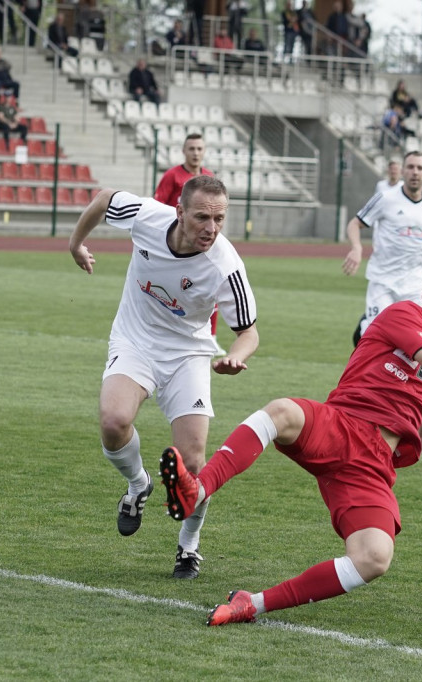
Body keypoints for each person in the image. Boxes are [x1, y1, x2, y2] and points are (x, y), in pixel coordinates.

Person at [159, 264, 422, 626]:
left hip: (371, 466)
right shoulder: (404, 315)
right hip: (340, 426)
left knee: (374, 558)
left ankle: (252, 603)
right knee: (280, 412)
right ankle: (198, 489)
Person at [68, 176, 259, 580]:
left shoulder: (225, 266)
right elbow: (104, 200)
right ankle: (138, 485)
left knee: (192, 463)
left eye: (220, 218)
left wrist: (235, 358)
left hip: (189, 354)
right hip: (135, 340)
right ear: (180, 212)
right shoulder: (147, 218)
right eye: (203, 217)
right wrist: (75, 243)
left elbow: (249, 332)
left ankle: (188, 547)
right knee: (113, 422)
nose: (211, 228)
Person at [343, 151, 422, 344]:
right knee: (376, 336)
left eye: (420, 168)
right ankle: (365, 330)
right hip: (383, 280)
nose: (415, 172)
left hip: (414, 282)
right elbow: (354, 224)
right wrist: (356, 248)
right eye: (410, 167)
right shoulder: (384, 198)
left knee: (416, 334)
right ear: (403, 171)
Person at [154, 134, 225, 357]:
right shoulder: (172, 176)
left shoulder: (208, 177)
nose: (195, 153)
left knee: (210, 291)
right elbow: (157, 207)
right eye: (191, 148)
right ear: (184, 151)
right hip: (176, 246)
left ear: (204, 152)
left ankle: (210, 337)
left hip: (200, 247)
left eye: (199, 149)